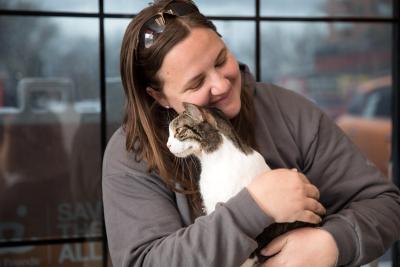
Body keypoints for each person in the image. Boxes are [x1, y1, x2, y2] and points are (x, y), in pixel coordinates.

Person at [102, 0, 400, 266]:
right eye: (196, 83)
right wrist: (254, 208)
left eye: (221, 60)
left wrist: (331, 243)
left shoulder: (288, 111)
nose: (221, 84)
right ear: (159, 95)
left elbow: (384, 204)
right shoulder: (131, 154)